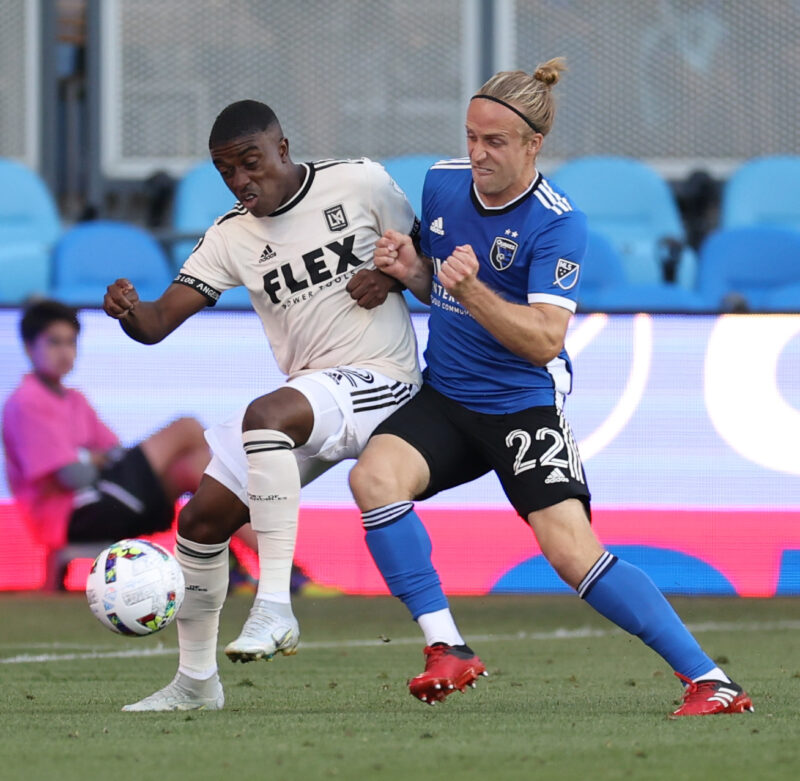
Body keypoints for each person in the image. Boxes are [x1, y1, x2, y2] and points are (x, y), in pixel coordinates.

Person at [348, 59, 754, 718]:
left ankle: (712, 681)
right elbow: (440, 288)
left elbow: (542, 339)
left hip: (521, 406)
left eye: (495, 141)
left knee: (571, 553)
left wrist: (471, 288)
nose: (477, 153)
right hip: (447, 396)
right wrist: (413, 270)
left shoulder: (558, 222)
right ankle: (447, 646)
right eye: (471, 136)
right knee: (373, 479)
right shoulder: (442, 183)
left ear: (534, 144)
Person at [103, 99, 421, 711]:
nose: (241, 181)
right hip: (313, 396)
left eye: (251, 163)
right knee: (200, 522)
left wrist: (391, 276)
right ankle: (196, 685)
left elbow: (429, 257)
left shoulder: (360, 182)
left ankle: (275, 605)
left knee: (266, 416)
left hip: (384, 378)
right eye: (227, 172)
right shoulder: (232, 235)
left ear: (282, 148)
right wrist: (129, 312)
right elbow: (158, 322)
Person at [2, 299, 210, 560]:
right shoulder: (26, 401)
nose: (65, 352)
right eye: (54, 342)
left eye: (71, 342)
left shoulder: (75, 399)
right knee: (188, 427)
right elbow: (73, 477)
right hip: (73, 517)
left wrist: (87, 458)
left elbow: (114, 452)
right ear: (29, 347)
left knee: (195, 468)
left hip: (106, 498)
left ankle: (247, 560)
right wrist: (92, 459)